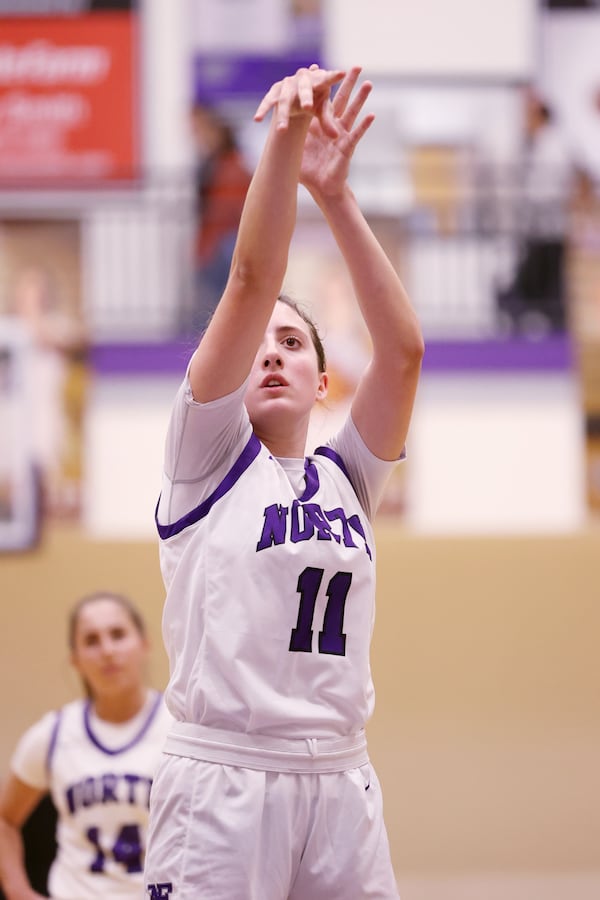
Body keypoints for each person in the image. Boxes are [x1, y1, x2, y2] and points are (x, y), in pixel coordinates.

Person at [145, 64, 424, 899]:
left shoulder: (349, 478)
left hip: (341, 778)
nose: (273, 351)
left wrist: (335, 196)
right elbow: (251, 278)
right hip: (224, 781)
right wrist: (288, 138)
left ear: (321, 381)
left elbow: (404, 352)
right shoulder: (205, 455)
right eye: (261, 344)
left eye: (295, 344)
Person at [0, 591, 172, 899]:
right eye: (91, 641)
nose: (107, 650)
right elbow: (5, 819)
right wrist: (17, 890)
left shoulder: (179, 728)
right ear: (75, 660)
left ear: (144, 644)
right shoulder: (52, 734)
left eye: (118, 635)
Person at [184, 101, 252, 335]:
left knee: (217, 302)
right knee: (215, 301)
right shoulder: (216, 163)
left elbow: (229, 209)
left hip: (222, 241)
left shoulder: (230, 166)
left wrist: (208, 243)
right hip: (217, 239)